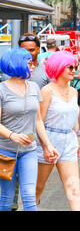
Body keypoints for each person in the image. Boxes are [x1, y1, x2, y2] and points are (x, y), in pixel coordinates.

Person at [0, 48, 59, 211]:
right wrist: (12, 136)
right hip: (5, 152)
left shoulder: (33, 87)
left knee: (29, 197)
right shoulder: (2, 90)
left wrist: (48, 146)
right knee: (6, 198)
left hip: (29, 150)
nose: (33, 66)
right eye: (29, 63)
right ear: (18, 65)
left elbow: (38, 121)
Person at [35, 51, 80, 211]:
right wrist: (46, 146)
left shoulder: (74, 92)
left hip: (68, 141)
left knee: (74, 191)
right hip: (48, 141)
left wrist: (75, 140)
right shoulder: (47, 91)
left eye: (75, 67)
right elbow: (39, 121)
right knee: (37, 189)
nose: (73, 70)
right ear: (58, 67)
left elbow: (73, 120)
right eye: (69, 67)